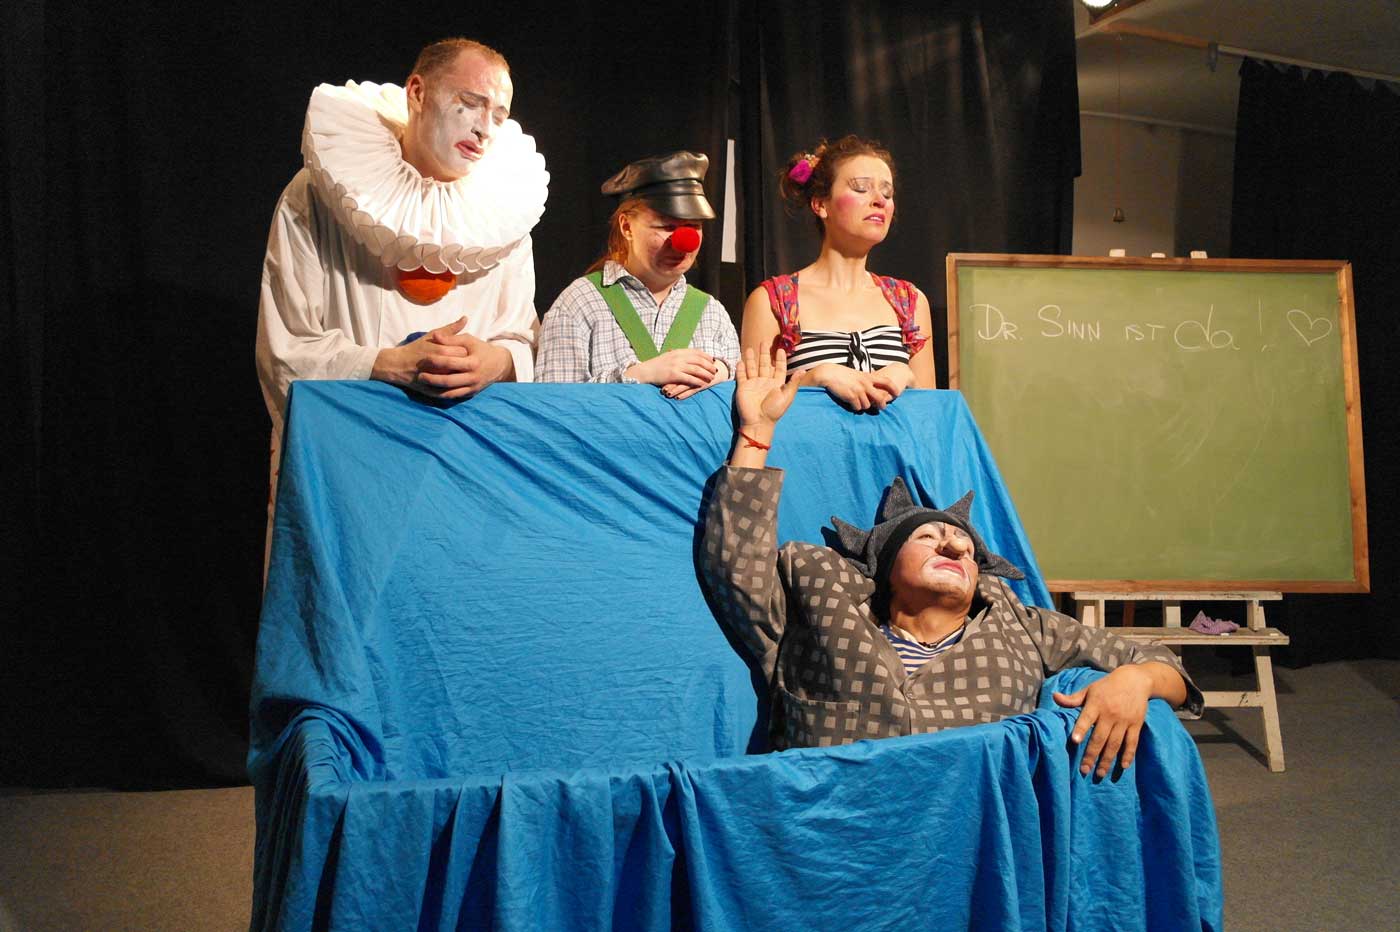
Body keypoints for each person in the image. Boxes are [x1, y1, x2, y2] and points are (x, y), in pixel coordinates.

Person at [699, 349, 1203, 776]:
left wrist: (1137, 680)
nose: (957, 548)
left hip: (967, 831)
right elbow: (736, 564)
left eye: (964, 544)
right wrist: (756, 432)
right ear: (886, 567)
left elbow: (1169, 669)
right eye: (928, 536)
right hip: (832, 826)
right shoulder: (821, 608)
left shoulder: (1025, 628)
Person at [254, 38, 548, 561]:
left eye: (499, 115)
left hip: (461, 468)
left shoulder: (504, 218)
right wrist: (387, 364)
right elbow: (284, 347)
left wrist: (498, 361)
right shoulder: (317, 195)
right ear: (417, 92)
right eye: (470, 103)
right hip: (349, 465)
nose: (485, 128)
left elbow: (522, 336)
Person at [741, 136, 936, 412]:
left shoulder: (909, 301)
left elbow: (930, 416)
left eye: (887, 193)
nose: (879, 201)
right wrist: (817, 376)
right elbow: (756, 413)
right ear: (821, 205)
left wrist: (908, 376)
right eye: (861, 188)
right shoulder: (773, 301)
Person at [536, 152, 738, 398]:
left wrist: (724, 373)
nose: (684, 242)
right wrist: (639, 375)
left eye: (694, 226)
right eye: (667, 226)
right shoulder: (579, 303)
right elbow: (552, 404)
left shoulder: (712, 313)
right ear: (627, 227)